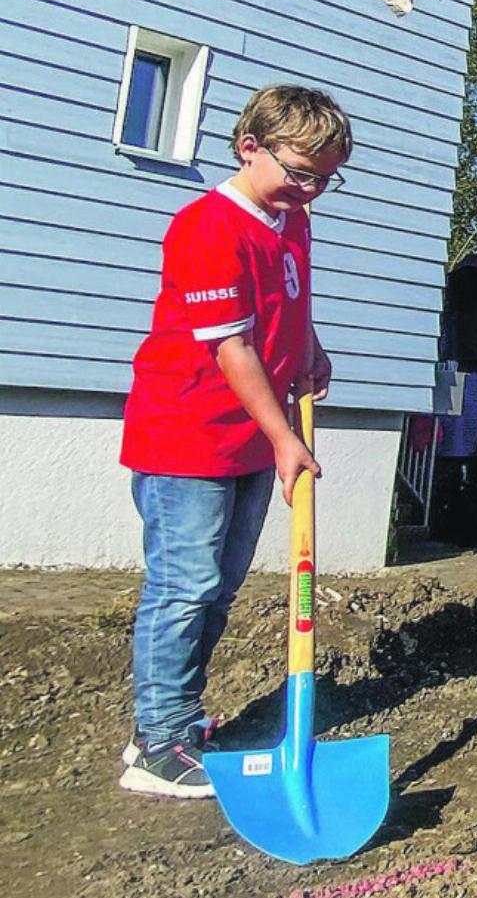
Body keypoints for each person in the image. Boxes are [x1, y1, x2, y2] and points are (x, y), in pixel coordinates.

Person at [119, 84, 349, 796]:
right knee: (183, 588)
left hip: (251, 439)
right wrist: (285, 436)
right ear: (251, 146)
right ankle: (157, 742)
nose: (310, 190)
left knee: (216, 591)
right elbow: (232, 349)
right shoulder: (208, 227)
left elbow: (286, 301)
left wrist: (309, 347)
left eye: (325, 178)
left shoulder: (290, 220)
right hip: (189, 436)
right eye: (301, 171)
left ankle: (177, 718)